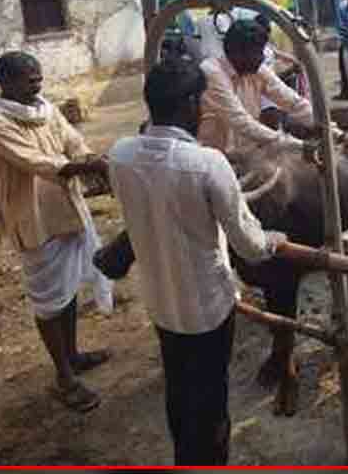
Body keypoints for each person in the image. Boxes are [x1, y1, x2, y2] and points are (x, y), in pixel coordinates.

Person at [108, 59, 287, 465]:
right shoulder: (206, 163)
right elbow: (250, 244)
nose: (204, 111)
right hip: (206, 305)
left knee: (178, 385)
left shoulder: (120, 155)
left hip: (159, 300)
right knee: (210, 395)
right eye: (201, 103)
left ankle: (184, 457)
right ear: (190, 104)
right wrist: (272, 240)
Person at [0, 52, 113, 412]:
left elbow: (73, 141)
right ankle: (64, 377)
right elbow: (33, 161)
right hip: (31, 216)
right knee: (49, 299)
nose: (37, 84)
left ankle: (72, 355)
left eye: (38, 77)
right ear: (5, 82)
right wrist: (84, 167)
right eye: (29, 78)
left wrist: (91, 160)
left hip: (64, 208)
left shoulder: (44, 109)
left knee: (66, 291)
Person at [198, 19, 317, 157]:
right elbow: (241, 121)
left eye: (261, 51)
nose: (261, 58)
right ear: (237, 53)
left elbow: (293, 101)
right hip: (215, 160)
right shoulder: (212, 73)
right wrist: (300, 145)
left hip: (244, 156)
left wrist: (332, 130)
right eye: (256, 52)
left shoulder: (256, 69)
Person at [255, 13, 306, 131]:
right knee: (273, 129)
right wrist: (290, 70)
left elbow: (276, 53)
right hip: (265, 100)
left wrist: (294, 60)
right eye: (266, 32)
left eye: (268, 31)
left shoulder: (266, 46)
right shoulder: (256, 55)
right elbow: (267, 79)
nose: (268, 35)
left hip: (273, 96)